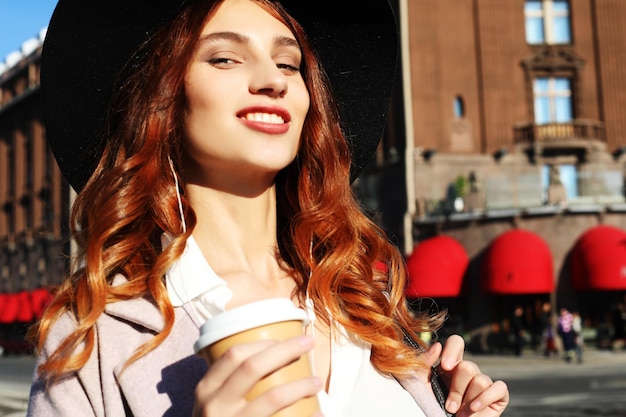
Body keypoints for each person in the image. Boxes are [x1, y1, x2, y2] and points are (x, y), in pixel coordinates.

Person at [26, 0, 509, 416]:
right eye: (224, 58)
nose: (271, 80)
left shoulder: (360, 298)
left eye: (288, 63)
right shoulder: (93, 334)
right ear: (164, 100)